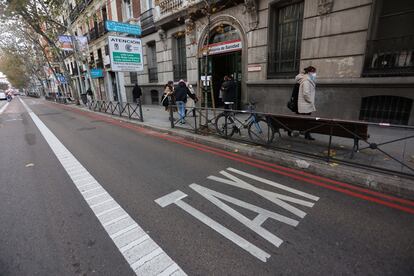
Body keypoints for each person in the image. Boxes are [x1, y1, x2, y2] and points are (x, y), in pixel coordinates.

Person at [295, 66, 317, 140]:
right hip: (306, 105)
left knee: (305, 121)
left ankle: (306, 134)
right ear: (309, 72)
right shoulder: (306, 81)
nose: (314, 74)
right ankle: (307, 135)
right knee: (307, 121)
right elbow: (306, 94)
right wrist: (310, 101)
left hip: (305, 105)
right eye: (313, 72)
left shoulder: (307, 79)